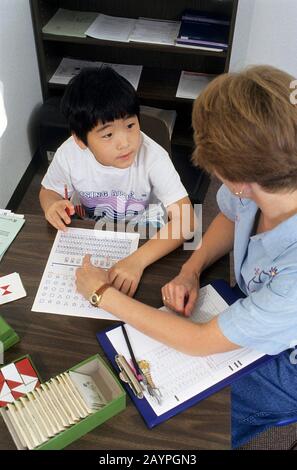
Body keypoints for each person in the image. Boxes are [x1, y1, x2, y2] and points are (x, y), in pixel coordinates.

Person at [75, 65, 297, 448]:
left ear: (240, 178)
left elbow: (198, 342)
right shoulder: (262, 185)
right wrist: (191, 270)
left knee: (181, 422)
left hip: (286, 367)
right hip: (256, 304)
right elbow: (232, 213)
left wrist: (102, 295)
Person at [40, 66, 194, 297]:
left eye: (130, 125)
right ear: (80, 140)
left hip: (146, 236)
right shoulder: (69, 154)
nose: (125, 143)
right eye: (108, 134)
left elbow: (188, 221)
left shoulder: (153, 156)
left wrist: (137, 261)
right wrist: (52, 205)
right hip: (92, 235)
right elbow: (47, 191)